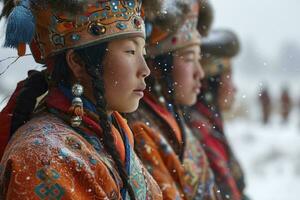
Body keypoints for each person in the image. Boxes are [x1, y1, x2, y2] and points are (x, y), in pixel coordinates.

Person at [0, 0, 164, 199]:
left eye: (143, 53)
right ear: (77, 62)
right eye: (130, 52)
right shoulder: (42, 155)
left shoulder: (115, 134)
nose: (145, 70)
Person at [126, 0, 222, 199]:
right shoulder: (139, 127)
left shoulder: (172, 118)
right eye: (188, 58)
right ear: (159, 67)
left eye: (199, 59)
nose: (200, 72)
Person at [187, 29, 249, 200]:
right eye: (228, 77)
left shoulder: (208, 123)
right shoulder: (199, 129)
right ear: (212, 84)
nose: (234, 88)